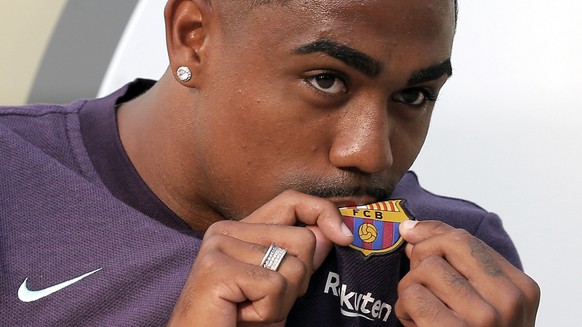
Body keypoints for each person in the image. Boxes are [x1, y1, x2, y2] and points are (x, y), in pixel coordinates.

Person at [0, 0, 540, 326]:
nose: (371, 154)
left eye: (414, 95)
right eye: (327, 80)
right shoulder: (12, 180)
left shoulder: (459, 275)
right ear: (193, 37)